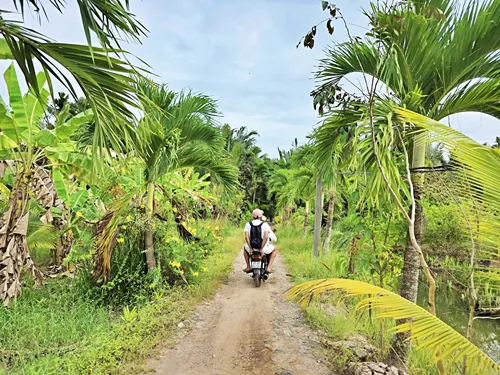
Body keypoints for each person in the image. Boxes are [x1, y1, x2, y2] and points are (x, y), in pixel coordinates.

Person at [243, 209, 278, 273]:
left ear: (253, 216)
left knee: (245, 249)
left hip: (252, 248)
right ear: (260, 216)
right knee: (275, 249)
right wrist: (261, 249)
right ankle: (269, 267)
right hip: (263, 248)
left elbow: (246, 237)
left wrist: (250, 248)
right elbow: (266, 237)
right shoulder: (265, 225)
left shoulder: (248, 224)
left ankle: (248, 266)